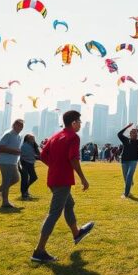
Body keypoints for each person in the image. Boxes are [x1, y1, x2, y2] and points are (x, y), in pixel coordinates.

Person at [31, 110, 94, 264]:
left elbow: (43, 155)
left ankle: (77, 233)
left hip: (53, 178)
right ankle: (39, 251)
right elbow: (73, 158)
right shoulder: (73, 137)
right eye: (79, 121)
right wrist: (83, 179)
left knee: (69, 204)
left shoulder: (55, 136)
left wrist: (54, 166)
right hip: (63, 180)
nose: (80, 124)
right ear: (73, 123)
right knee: (54, 213)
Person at [0, 118, 24, 209]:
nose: (21, 127)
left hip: (12, 162)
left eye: (22, 126)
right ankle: (5, 202)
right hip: (5, 161)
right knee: (7, 181)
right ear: (14, 125)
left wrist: (17, 153)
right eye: (19, 125)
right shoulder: (8, 134)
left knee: (16, 179)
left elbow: (17, 150)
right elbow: (0, 148)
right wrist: (15, 151)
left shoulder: (18, 136)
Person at [117, 123, 138, 198]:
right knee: (126, 178)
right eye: (133, 133)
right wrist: (127, 127)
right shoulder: (126, 140)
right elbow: (119, 134)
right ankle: (129, 185)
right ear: (130, 134)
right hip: (124, 161)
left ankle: (125, 194)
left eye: (135, 133)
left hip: (133, 161)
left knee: (129, 176)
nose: (134, 134)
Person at [19, 134, 40, 200]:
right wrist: (35, 156)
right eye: (31, 138)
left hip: (30, 163)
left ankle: (25, 191)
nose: (33, 140)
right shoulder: (24, 145)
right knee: (25, 178)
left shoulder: (33, 145)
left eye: (33, 138)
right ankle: (24, 193)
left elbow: (37, 154)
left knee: (33, 177)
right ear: (27, 139)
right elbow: (27, 154)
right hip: (24, 163)